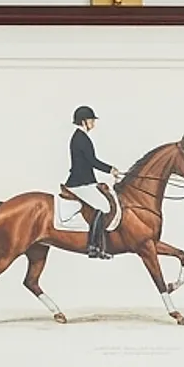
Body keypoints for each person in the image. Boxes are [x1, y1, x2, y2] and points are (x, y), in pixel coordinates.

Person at [65, 106, 121, 258]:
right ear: (84, 121)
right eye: (91, 120)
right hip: (80, 183)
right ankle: (93, 246)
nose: (93, 124)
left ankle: (97, 245)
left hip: (85, 181)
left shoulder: (81, 137)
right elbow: (92, 161)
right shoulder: (80, 138)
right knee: (103, 206)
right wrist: (111, 169)